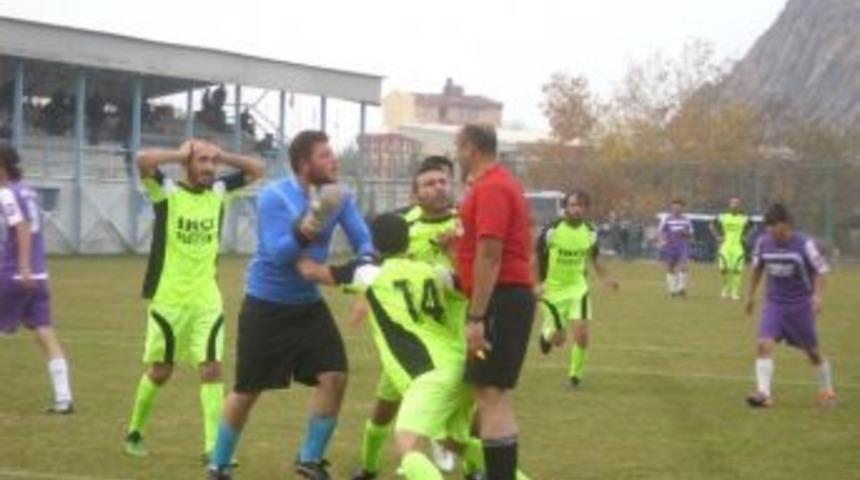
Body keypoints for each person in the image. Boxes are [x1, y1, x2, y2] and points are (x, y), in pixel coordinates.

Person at [207, 130, 374, 480]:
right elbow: (280, 253)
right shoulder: (275, 196)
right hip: (266, 305)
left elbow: (363, 239)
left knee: (335, 375)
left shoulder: (338, 196)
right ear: (304, 163)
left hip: (307, 305)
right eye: (326, 155)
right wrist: (311, 221)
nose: (334, 160)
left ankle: (309, 459)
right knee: (248, 390)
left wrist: (368, 266)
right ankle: (218, 465)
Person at [123, 139, 263, 460]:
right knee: (161, 371)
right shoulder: (166, 192)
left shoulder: (218, 191)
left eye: (212, 163)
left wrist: (222, 153)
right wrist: (178, 153)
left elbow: (258, 170)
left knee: (212, 368)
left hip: (206, 300)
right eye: (202, 161)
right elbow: (142, 159)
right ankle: (134, 429)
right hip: (168, 300)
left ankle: (213, 446)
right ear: (188, 163)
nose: (209, 168)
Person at [351, 158, 462, 480]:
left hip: (456, 331)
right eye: (430, 183)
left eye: (443, 181)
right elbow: (378, 268)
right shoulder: (404, 227)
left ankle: (474, 468)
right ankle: (369, 466)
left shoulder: (465, 226)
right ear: (416, 194)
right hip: (413, 336)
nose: (438, 187)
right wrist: (363, 299)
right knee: (385, 406)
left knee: (469, 412)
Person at [454, 124, 535, 480]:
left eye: (458, 147)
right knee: (488, 390)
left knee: (491, 393)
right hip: (501, 298)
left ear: (469, 147)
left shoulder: (493, 187)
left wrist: (477, 316)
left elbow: (490, 254)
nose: (457, 154)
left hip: (501, 300)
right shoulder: (490, 185)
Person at [0, 145, 74, 414]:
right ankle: (64, 398)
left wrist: (22, 266)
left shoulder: (7, 192)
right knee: (45, 332)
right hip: (39, 274)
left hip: (16, 273)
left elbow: (20, 227)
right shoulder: (27, 191)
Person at [744, 204, 836, 408]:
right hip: (774, 303)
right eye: (768, 230)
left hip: (800, 305)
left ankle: (827, 390)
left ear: (785, 225)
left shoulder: (804, 244)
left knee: (812, 352)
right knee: (763, 344)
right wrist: (750, 296)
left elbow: (821, 271)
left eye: (774, 229)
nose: (771, 234)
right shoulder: (764, 243)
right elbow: (757, 269)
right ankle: (764, 394)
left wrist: (818, 297)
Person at [535, 190, 619, 387]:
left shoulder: (590, 232)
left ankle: (575, 377)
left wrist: (605, 279)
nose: (577, 209)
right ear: (566, 207)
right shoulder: (552, 230)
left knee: (581, 333)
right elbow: (534, 256)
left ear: (586, 209)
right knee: (559, 339)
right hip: (551, 290)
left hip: (577, 289)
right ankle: (546, 334)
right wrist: (536, 283)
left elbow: (595, 257)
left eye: (581, 206)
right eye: (573, 205)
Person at [711, 197, 751, 301]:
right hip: (726, 247)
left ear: (739, 205)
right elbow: (711, 225)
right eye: (733, 203)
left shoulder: (743, 218)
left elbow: (753, 227)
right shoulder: (723, 217)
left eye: (737, 203)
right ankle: (725, 288)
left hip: (737, 247)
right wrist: (717, 236)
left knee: (737, 270)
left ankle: (735, 292)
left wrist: (746, 236)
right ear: (729, 205)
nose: (735, 205)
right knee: (724, 268)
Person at [659, 199, 693, 297]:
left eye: (679, 206)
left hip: (682, 245)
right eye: (674, 206)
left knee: (684, 266)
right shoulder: (667, 219)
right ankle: (672, 290)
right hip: (670, 246)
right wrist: (663, 241)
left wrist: (685, 233)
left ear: (682, 208)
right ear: (672, 207)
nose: (676, 208)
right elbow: (662, 231)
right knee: (670, 267)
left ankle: (680, 289)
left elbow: (691, 234)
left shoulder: (686, 220)